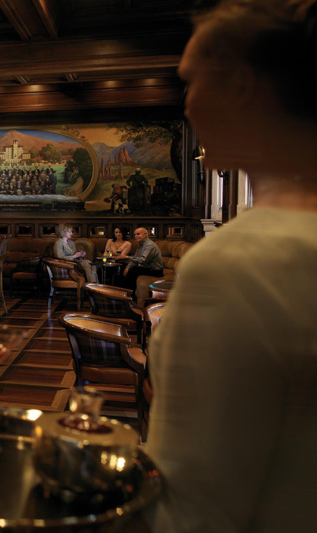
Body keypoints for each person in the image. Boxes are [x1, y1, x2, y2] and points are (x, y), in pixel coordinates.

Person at [145, 1, 317, 531]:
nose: (188, 105)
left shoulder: (239, 263)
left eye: (191, 83)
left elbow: (192, 509)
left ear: (241, 86)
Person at [120, 227, 163, 291]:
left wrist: (126, 257)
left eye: (138, 234)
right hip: (146, 268)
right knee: (122, 268)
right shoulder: (141, 245)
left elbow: (143, 260)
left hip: (155, 271)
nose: (136, 236)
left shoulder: (150, 245)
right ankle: (121, 293)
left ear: (145, 234)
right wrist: (128, 267)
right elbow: (135, 258)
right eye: (135, 235)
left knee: (132, 272)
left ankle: (131, 295)